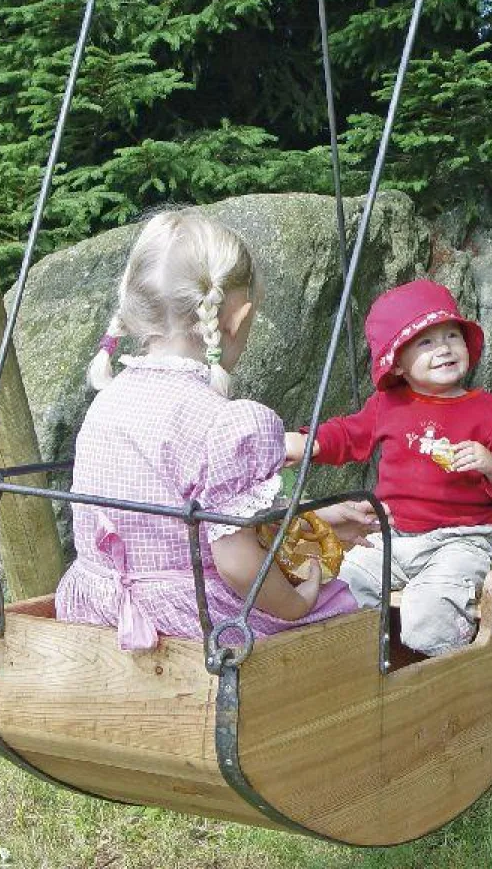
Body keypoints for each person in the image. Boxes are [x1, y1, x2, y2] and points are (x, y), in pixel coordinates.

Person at [55, 208, 369, 651]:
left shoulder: (107, 400)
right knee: (338, 604)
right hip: (191, 618)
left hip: (97, 604)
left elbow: (195, 517)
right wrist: (295, 604)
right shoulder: (229, 422)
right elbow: (237, 563)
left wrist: (306, 520)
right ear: (236, 318)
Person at [285, 279, 492, 657]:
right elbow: (348, 434)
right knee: (343, 585)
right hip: (391, 535)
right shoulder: (389, 404)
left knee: (430, 608)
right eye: (426, 342)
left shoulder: (485, 410)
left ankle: (445, 673)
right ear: (397, 361)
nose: (444, 348)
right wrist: (310, 443)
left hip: (460, 539)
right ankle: (361, 666)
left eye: (452, 335)